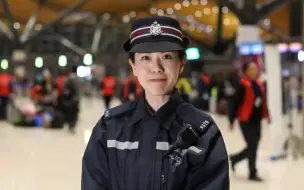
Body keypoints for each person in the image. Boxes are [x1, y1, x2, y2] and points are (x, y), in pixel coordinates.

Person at [82, 16, 229, 190]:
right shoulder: (110, 128)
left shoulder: (203, 132)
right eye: (146, 58)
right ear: (133, 65)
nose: (156, 67)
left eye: (166, 56)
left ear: (181, 64)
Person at [228, 61, 270, 182]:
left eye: (255, 68)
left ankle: (235, 158)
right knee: (252, 145)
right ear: (246, 72)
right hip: (245, 120)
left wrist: (267, 114)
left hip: (257, 119)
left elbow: (262, 101)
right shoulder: (242, 85)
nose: (254, 71)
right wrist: (231, 120)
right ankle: (252, 172)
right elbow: (234, 104)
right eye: (251, 69)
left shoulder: (258, 84)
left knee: (254, 145)